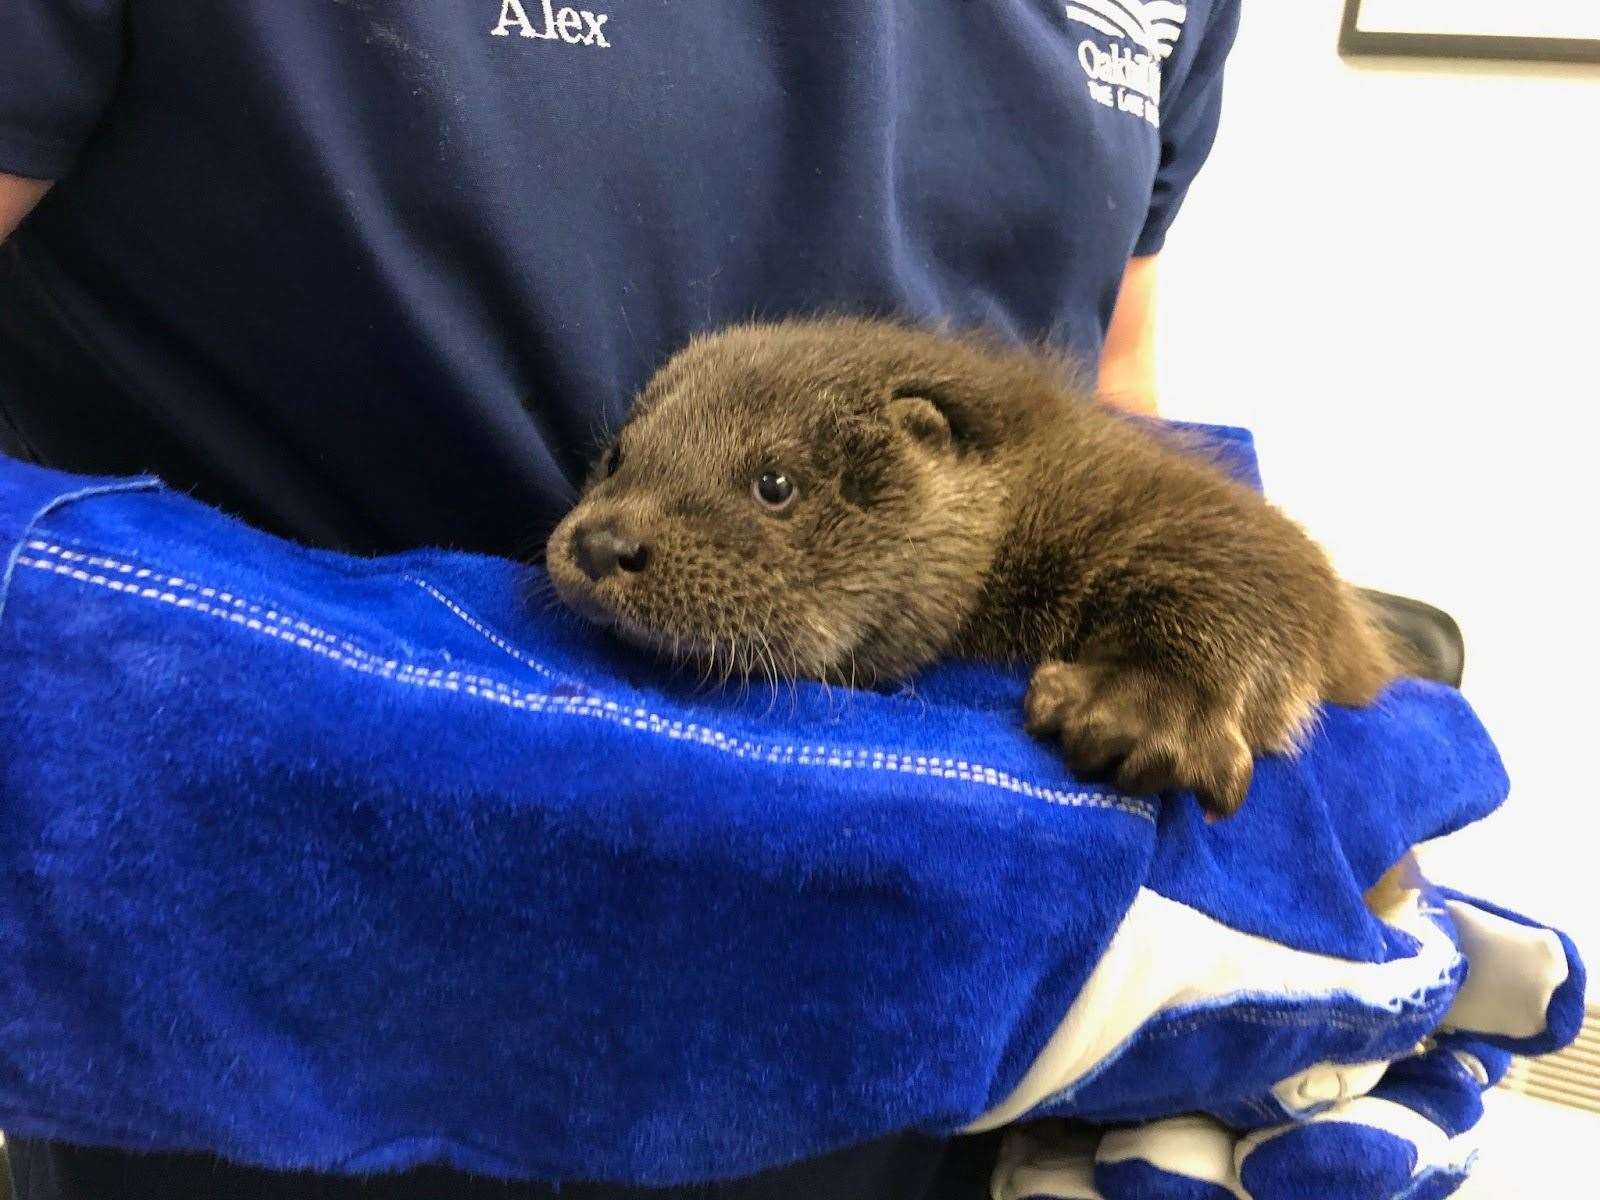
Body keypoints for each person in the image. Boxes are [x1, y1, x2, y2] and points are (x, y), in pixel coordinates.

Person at [0, 2, 1241, 1197]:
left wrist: (1214, 726)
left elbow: (1111, 375)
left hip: (928, 1037)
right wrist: (100, 690)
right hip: (258, 1018)